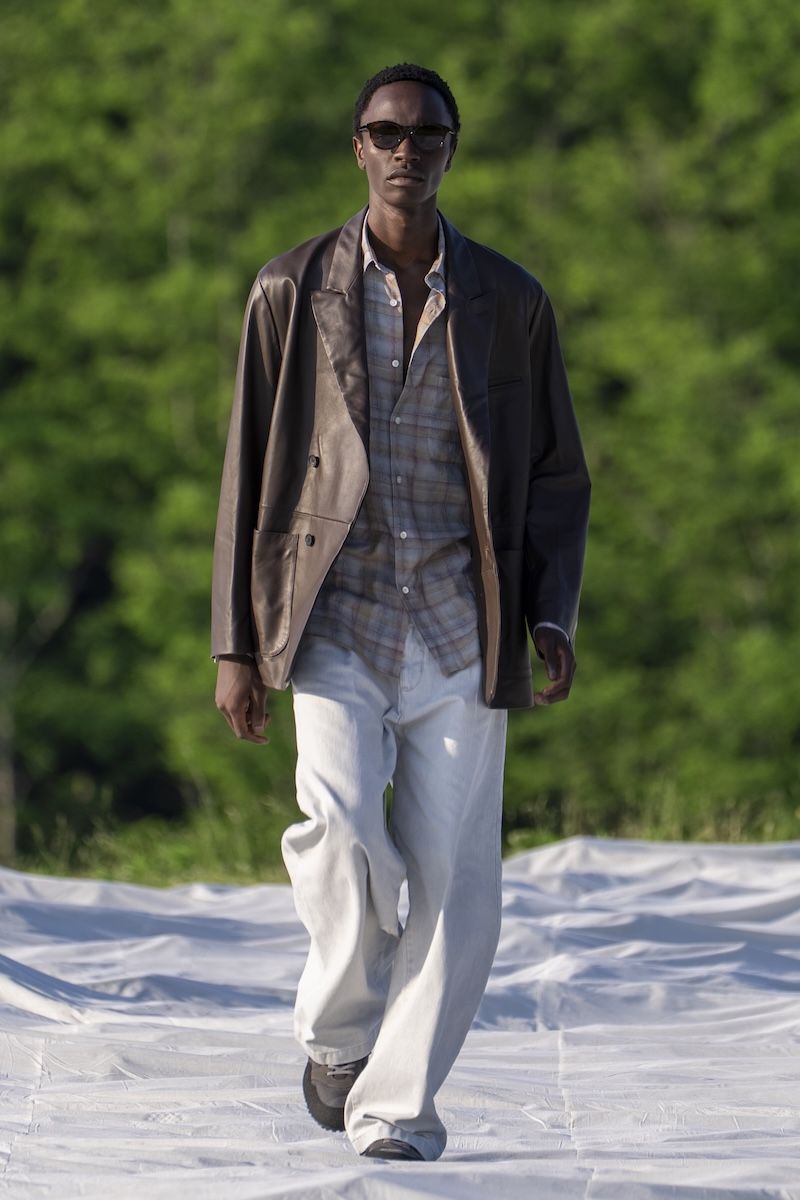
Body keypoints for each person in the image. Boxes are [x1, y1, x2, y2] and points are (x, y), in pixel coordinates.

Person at [211, 62, 590, 1162]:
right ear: (357, 147)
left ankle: (394, 1112)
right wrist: (236, 643)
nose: (405, 151)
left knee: (458, 883)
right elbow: (247, 471)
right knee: (337, 830)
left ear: (451, 149)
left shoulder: (508, 299)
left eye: (426, 134)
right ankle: (340, 1033)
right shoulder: (290, 289)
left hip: (464, 623)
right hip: (335, 612)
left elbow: (556, 473)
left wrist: (550, 611)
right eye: (386, 132)